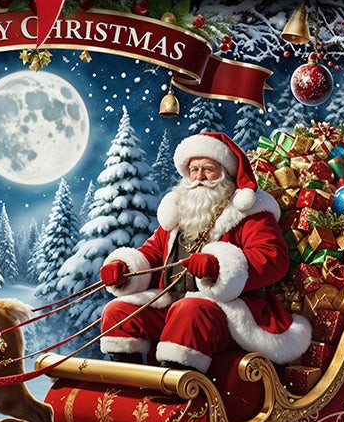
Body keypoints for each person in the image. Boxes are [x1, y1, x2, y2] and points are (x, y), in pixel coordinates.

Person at [97, 130, 310, 373]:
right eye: (193, 170)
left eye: (208, 169)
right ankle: (130, 388)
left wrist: (219, 268)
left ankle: (178, 396)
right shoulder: (178, 211)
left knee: (189, 311)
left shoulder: (249, 212)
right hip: (172, 303)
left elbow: (273, 259)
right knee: (119, 312)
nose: (199, 177)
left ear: (225, 172)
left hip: (227, 310)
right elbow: (154, 252)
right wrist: (126, 269)